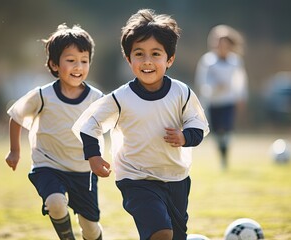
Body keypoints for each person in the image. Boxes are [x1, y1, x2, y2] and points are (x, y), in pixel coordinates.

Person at [72, 9, 209, 240]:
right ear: (128, 59)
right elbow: (89, 122)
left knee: (176, 235)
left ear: (170, 59)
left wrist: (185, 137)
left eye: (156, 54)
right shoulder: (120, 98)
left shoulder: (181, 92)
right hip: (135, 178)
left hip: (176, 177)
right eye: (139, 54)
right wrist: (93, 156)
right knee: (161, 232)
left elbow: (198, 123)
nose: (147, 61)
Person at [5, 23, 104, 240]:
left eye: (84, 61)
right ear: (54, 64)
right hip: (48, 165)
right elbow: (16, 117)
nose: (78, 66)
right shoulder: (42, 95)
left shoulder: (96, 98)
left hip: (83, 170)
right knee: (55, 203)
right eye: (71, 60)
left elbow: (110, 125)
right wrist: (15, 151)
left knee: (90, 227)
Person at [194, 24, 248, 170]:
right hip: (212, 102)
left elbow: (240, 80)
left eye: (225, 43)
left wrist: (241, 96)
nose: (221, 46)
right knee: (217, 132)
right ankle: (222, 155)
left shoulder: (235, 61)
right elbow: (202, 81)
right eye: (219, 43)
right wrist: (213, 87)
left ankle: (225, 157)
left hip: (228, 101)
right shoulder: (208, 61)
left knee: (227, 129)